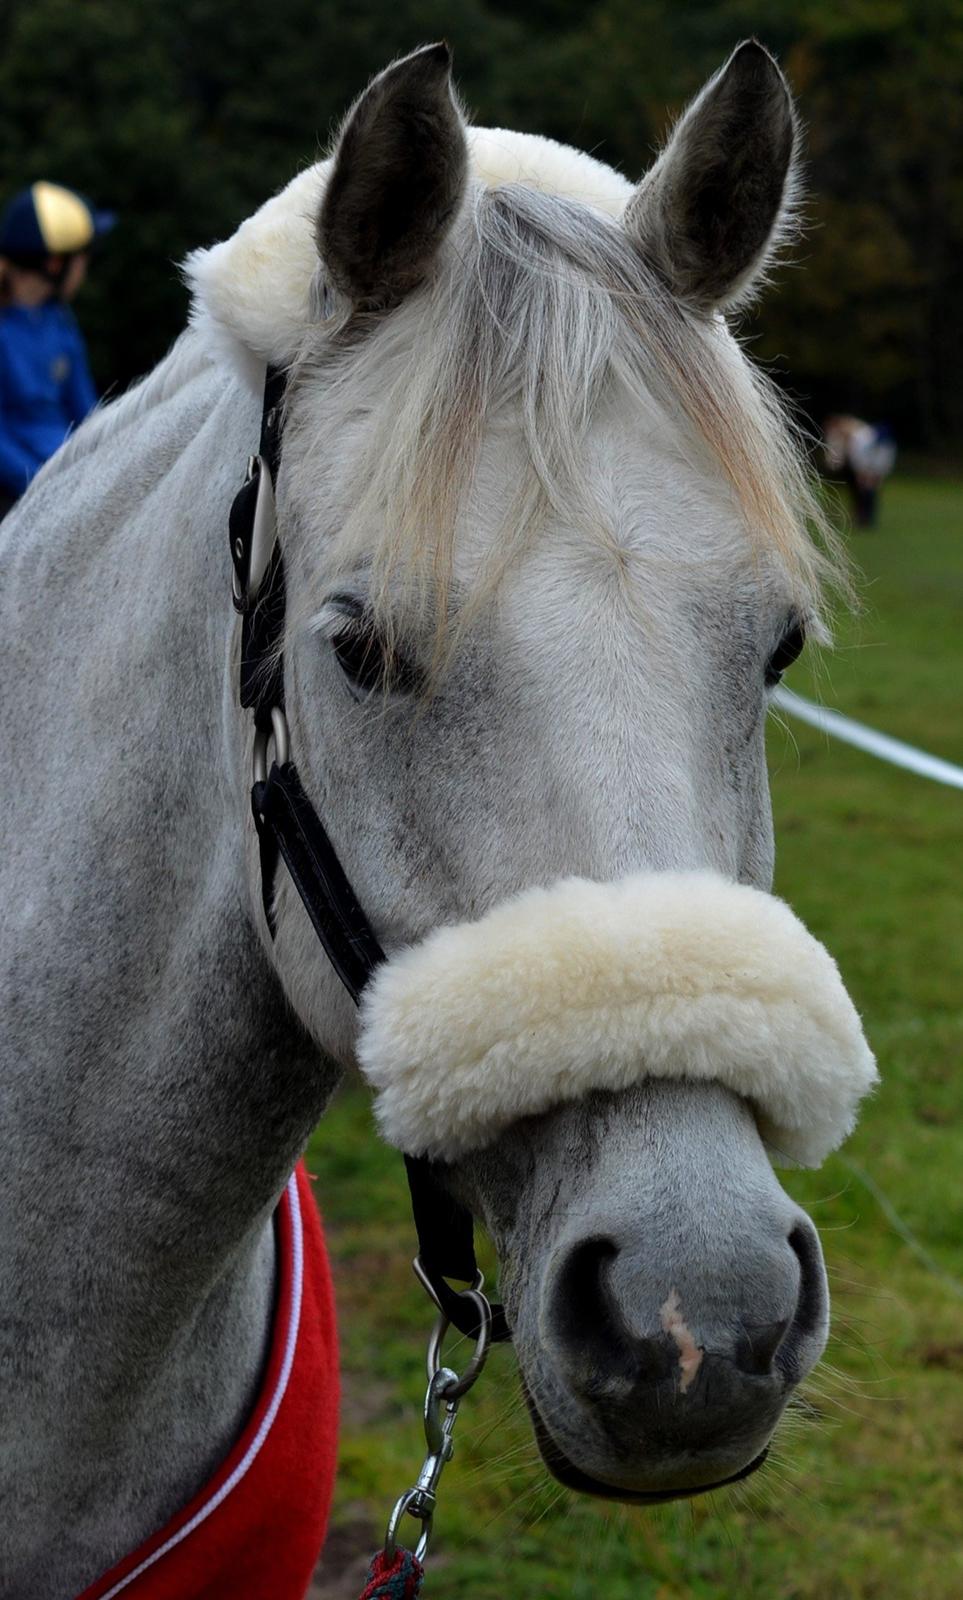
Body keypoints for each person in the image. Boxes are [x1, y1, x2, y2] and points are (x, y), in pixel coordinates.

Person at [0, 181, 115, 515]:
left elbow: (85, 410)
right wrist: (41, 485)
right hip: (18, 487)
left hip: (64, 473)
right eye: (82, 259)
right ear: (54, 265)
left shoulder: (60, 321)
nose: (85, 270)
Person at [823, 413, 897, 529]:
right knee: (857, 491)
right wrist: (861, 474)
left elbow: (884, 464)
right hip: (849, 467)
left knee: (869, 491)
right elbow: (857, 458)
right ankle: (856, 516)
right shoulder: (861, 441)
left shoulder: (887, 447)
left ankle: (866, 518)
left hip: (865, 468)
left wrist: (875, 477)